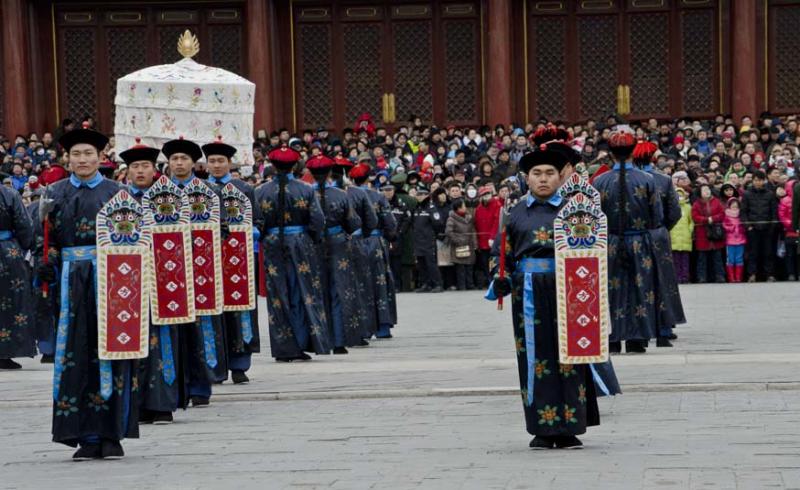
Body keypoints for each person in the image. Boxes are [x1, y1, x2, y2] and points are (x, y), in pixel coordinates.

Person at [487, 126, 599, 449]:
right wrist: (500, 277)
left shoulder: (576, 208)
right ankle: (541, 427)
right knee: (534, 358)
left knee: (570, 357)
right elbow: (500, 253)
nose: (544, 179)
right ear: (526, 177)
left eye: (550, 172)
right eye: (536, 173)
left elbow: (594, 249)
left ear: (559, 176)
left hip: (569, 290)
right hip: (528, 295)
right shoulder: (514, 213)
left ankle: (570, 427)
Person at [36, 124, 138, 460]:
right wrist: (46, 262)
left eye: (88, 154)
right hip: (69, 282)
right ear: (67, 158)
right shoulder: (54, 193)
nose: (82, 159)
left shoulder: (117, 194)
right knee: (74, 355)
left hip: (112, 282)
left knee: (112, 355)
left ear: (101, 157)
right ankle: (85, 435)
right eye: (76, 154)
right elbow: (46, 239)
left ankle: (113, 433)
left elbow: (136, 241)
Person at [120, 139, 185, 424]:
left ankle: (162, 403)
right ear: (127, 171)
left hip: (163, 282)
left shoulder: (168, 198)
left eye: (145, 165)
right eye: (135, 166)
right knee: (130, 341)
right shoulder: (118, 201)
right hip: (127, 283)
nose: (140, 171)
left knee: (163, 342)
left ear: (155, 168)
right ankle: (137, 404)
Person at [162, 137, 227, 406]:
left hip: (202, 269)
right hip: (169, 272)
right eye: (174, 159)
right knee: (174, 329)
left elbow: (222, 228)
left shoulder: (209, 191)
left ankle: (201, 386)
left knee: (202, 327)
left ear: (193, 163)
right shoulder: (158, 192)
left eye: (184, 159)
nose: (179, 163)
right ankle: (176, 387)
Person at [592, 127, 662, 354]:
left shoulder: (599, 181)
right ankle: (637, 339)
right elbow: (657, 216)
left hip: (609, 243)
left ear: (610, 153)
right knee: (640, 288)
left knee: (609, 290)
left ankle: (611, 339)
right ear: (634, 151)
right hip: (640, 242)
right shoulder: (648, 179)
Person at [255, 146, 329, 361]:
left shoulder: (260, 191)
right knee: (301, 291)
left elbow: (257, 222)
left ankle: (282, 348)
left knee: (276, 295)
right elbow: (318, 221)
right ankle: (300, 342)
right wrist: (313, 240)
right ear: (295, 165)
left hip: (271, 244)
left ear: (272, 165)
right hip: (299, 243)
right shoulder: (306, 189)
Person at [203, 137, 262, 384]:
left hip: (239, 257)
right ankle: (214, 366)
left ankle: (239, 365)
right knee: (211, 311)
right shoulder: (200, 189)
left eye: (221, 161)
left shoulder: (244, 189)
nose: (216, 165)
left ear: (230, 163)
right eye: (212, 161)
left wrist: (251, 234)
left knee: (239, 309)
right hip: (206, 259)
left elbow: (258, 221)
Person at [306, 154, 361, 353]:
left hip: (312, 245)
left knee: (316, 292)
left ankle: (321, 341)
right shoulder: (341, 194)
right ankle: (339, 341)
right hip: (338, 244)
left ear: (310, 174)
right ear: (330, 173)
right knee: (339, 291)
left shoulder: (304, 193)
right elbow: (354, 223)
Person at [632, 140, 685, 347]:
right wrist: (662, 229)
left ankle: (639, 326)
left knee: (636, 280)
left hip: (634, 235)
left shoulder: (631, 178)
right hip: (658, 235)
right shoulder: (663, 180)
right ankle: (664, 327)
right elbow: (675, 212)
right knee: (662, 281)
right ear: (653, 158)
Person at [349, 162, 398, 339]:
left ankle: (363, 328)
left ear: (352, 178)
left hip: (353, 242)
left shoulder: (346, 196)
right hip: (376, 242)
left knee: (359, 284)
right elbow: (390, 223)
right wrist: (391, 237)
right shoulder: (378, 197)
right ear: (369, 178)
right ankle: (383, 327)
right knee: (380, 282)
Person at [333, 155, 378, 344]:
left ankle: (335, 333)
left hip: (331, 244)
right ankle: (361, 331)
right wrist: (362, 234)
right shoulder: (359, 193)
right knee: (360, 286)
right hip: (356, 242)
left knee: (334, 287)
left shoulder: (321, 193)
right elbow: (372, 220)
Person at [0, 176, 35, 369]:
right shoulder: (9, 194)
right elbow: (25, 226)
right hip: (7, 252)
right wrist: (24, 246)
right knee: (10, 303)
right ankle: (4, 353)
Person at [741, 170, 778, 282]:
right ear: (752, 181)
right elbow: (743, 212)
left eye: (760, 180)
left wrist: (772, 227)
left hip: (767, 229)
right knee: (753, 253)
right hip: (753, 229)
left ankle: (769, 274)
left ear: (764, 181)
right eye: (756, 180)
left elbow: (774, 212)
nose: (758, 182)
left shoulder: (770, 194)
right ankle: (752, 274)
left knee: (768, 252)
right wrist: (748, 227)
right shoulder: (747, 194)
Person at [691, 184, 726, 283]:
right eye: (704, 190)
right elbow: (695, 217)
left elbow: (722, 214)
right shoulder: (696, 204)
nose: (707, 191)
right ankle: (701, 277)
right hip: (702, 233)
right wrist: (706, 220)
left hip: (716, 233)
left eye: (708, 189)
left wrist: (713, 219)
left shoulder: (716, 201)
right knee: (702, 258)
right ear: (700, 193)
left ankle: (720, 276)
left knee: (717, 257)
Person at [411, 185, 443, 293]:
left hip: (428, 240)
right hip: (418, 240)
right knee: (421, 264)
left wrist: (433, 234)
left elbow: (438, 223)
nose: (419, 197)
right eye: (418, 194)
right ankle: (425, 283)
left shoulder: (431, 208)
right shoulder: (417, 208)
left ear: (426, 195)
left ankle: (437, 284)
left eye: (421, 194)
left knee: (431, 263)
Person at [444, 197, 477, 290]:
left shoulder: (469, 217)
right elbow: (448, 232)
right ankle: (462, 285)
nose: (465, 207)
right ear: (458, 208)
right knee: (460, 268)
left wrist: (475, 243)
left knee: (470, 266)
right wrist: (458, 240)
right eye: (463, 206)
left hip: (469, 245)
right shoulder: (451, 218)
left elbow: (473, 230)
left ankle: (470, 284)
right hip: (458, 246)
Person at [670, 188, 694, 284]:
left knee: (685, 260)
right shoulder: (671, 208)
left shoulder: (688, 207)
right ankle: (677, 277)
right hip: (674, 237)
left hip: (685, 237)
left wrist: (689, 230)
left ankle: (685, 277)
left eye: (681, 195)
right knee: (675, 260)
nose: (679, 197)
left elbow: (691, 221)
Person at [723, 197, 746, 283]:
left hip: (740, 240)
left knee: (739, 258)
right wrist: (731, 228)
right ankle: (731, 277)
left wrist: (741, 229)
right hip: (730, 241)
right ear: (729, 206)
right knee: (730, 259)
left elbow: (744, 226)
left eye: (736, 206)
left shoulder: (741, 216)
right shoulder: (726, 216)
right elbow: (724, 225)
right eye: (733, 206)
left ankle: (738, 277)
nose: (734, 208)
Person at [778, 181, 798, 280]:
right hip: (789, 231)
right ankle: (791, 273)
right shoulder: (785, 200)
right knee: (790, 254)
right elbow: (782, 215)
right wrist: (792, 224)